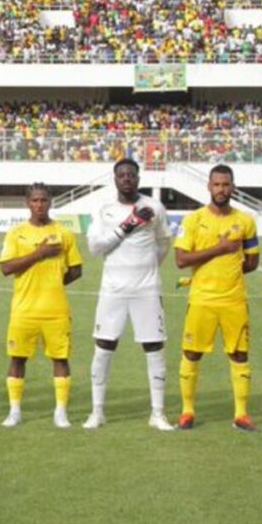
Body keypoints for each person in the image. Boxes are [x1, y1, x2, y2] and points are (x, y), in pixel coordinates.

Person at [84, 159, 173, 431]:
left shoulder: (154, 207)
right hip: (113, 291)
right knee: (103, 347)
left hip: (146, 290)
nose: (126, 179)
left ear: (138, 178)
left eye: (131, 175)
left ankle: (157, 413)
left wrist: (147, 270)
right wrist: (127, 225)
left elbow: (164, 243)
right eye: (121, 175)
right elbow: (95, 248)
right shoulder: (104, 208)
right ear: (115, 179)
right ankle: (97, 412)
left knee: (154, 347)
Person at [174, 164, 260, 432]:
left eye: (226, 184)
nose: (221, 189)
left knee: (239, 354)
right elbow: (181, 260)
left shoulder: (245, 221)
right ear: (209, 186)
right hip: (202, 300)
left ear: (233, 187)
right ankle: (187, 412)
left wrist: (228, 274)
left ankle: (241, 415)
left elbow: (252, 261)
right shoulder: (193, 220)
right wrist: (220, 249)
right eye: (217, 184)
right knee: (191, 353)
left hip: (234, 301)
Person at [0, 183, 82, 428]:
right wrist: (40, 253)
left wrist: (54, 283)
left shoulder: (64, 233)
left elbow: (76, 270)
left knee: (60, 359)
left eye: (43, 200)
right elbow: (6, 267)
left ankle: (60, 412)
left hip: (56, 311)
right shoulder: (16, 233)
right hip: (23, 310)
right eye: (34, 200)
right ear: (27, 203)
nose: (39, 205)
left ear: (50, 202)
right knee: (17, 359)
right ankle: (14, 411)